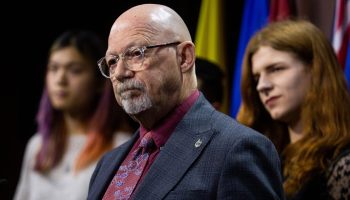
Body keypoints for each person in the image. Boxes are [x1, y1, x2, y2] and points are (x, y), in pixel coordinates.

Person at [87, 4, 284, 200]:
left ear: (184, 57)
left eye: (136, 53)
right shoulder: (108, 163)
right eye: (112, 61)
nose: (120, 73)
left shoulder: (237, 149)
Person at [14, 30, 136, 200]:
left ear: (100, 81)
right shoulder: (37, 146)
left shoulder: (121, 146)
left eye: (75, 70)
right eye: (53, 68)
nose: (60, 79)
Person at [237, 20, 350, 199]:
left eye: (276, 69)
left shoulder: (343, 166)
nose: (261, 86)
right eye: (257, 77)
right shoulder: (264, 160)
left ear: (315, 69)